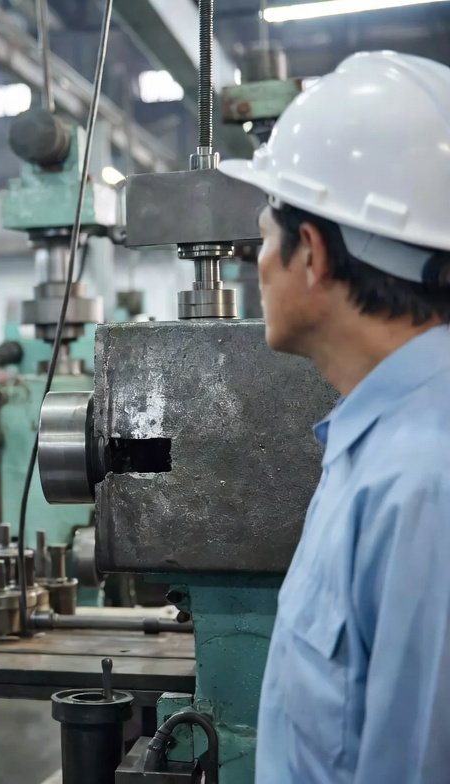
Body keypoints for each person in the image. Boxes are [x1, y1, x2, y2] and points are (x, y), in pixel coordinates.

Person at [218, 51, 450, 783]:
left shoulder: (424, 486)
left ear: (311, 253)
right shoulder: (378, 441)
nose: (257, 264)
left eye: (263, 237)